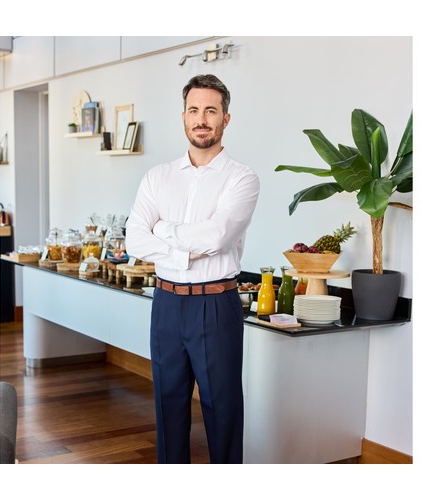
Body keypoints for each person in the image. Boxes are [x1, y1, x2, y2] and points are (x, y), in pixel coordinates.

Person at [125, 74, 260, 464]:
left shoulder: (242, 178)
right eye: (194, 110)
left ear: (226, 119)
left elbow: (216, 237)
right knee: (167, 406)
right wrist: (186, 252)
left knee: (223, 410)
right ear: (183, 116)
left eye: (211, 111)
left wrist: (162, 230)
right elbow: (134, 240)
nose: (202, 119)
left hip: (214, 306)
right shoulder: (157, 177)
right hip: (166, 303)